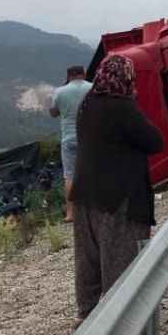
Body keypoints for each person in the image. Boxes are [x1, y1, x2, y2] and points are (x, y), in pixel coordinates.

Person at [70, 54, 164, 321]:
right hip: (116, 200)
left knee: (87, 262)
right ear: (127, 78)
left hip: (84, 195)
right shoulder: (123, 107)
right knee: (118, 263)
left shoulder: (86, 103)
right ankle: (117, 325)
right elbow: (155, 141)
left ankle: (85, 318)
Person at [50, 66, 92, 223]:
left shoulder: (60, 91)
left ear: (68, 76)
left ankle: (70, 214)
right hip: (89, 136)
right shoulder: (92, 87)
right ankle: (97, 208)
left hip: (69, 139)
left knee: (69, 175)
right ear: (84, 74)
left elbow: (53, 113)